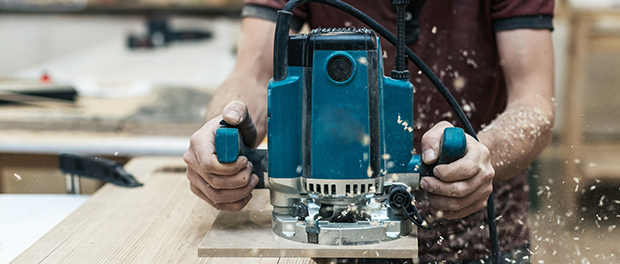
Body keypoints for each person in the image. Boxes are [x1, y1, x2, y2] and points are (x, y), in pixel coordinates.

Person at [183, 0, 555, 263]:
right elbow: (253, 72)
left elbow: (534, 104)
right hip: (332, 229)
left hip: (474, 225)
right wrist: (221, 130)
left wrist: (478, 157)